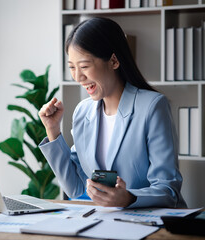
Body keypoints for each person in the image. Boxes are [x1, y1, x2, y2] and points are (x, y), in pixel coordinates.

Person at [38, 17, 187, 208]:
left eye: (84, 66)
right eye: (72, 68)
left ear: (114, 61)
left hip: (150, 223)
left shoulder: (152, 106)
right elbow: (75, 189)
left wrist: (129, 198)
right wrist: (52, 130)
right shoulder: (83, 112)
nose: (77, 77)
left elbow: (168, 189)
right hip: (107, 222)